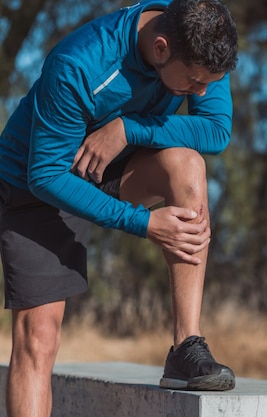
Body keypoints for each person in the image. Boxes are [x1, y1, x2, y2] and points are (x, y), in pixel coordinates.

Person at [0, 0, 239, 415]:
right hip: (34, 184)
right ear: (161, 48)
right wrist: (142, 222)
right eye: (194, 83)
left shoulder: (201, 40)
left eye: (208, 83)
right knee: (39, 336)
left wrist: (129, 128)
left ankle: (186, 347)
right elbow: (45, 174)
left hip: (109, 167)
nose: (201, 92)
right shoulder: (80, 63)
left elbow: (216, 130)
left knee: (188, 166)